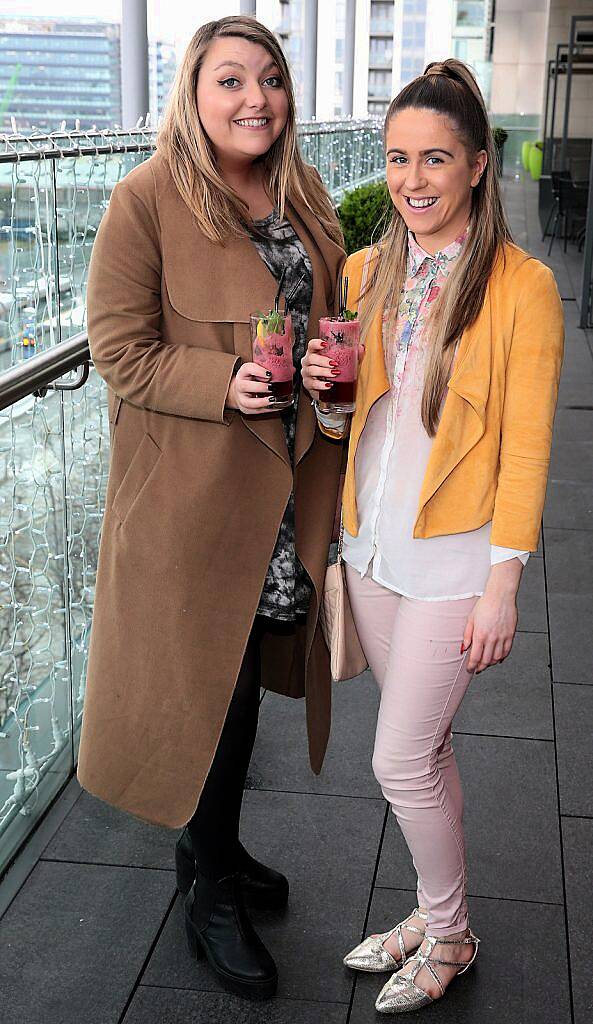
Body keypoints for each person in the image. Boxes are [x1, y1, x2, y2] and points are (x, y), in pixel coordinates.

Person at [77, 16, 345, 1003]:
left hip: (281, 485)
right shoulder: (145, 199)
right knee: (210, 683)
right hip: (191, 500)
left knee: (241, 676)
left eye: (270, 79)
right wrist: (221, 379)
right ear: (192, 94)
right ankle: (203, 881)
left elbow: (324, 320)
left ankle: (219, 847)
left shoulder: (301, 194)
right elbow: (119, 350)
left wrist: (320, 371)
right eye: (229, 79)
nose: (254, 99)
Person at [302, 59, 563, 1014]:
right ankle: (433, 908)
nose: (412, 179)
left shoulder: (521, 287)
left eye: (435, 159)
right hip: (371, 549)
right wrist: (324, 403)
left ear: (478, 165)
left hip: (457, 560)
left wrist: (504, 583)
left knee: (397, 760)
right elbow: (346, 425)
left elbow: (527, 445)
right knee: (428, 751)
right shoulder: (368, 271)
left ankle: (448, 937)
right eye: (396, 158)